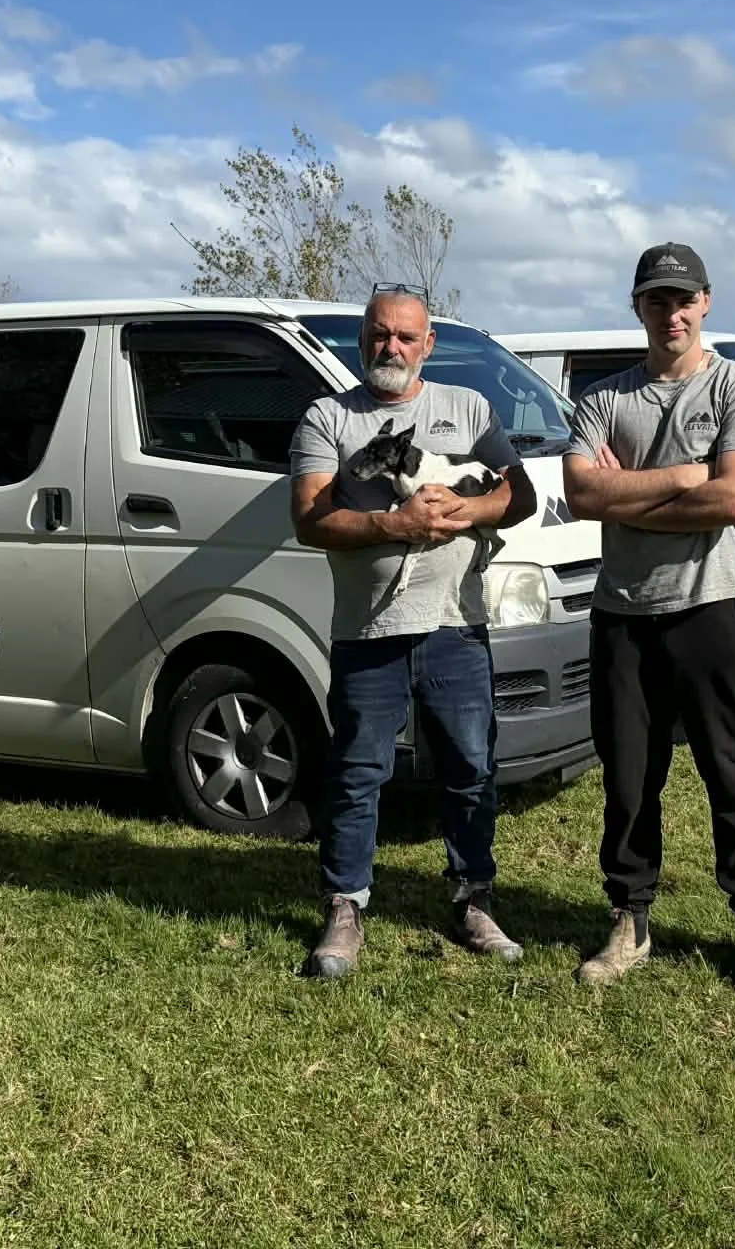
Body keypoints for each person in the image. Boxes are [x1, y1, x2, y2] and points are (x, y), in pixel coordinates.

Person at [562, 243, 735, 1004]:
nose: (672, 313)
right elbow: (583, 498)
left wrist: (627, 488)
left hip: (716, 606)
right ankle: (630, 918)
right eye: (657, 300)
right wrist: (688, 475)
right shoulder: (604, 398)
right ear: (638, 307)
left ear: (707, 301)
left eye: (684, 299)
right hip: (623, 613)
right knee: (629, 778)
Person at [289, 285, 537, 979]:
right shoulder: (327, 418)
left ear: (427, 344)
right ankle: (345, 908)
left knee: (469, 769)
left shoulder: (468, 408)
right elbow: (308, 519)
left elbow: (522, 496)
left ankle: (474, 899)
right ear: (361, 339)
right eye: (378, 334)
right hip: (369, 630)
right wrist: (390, 526)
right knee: (359, 772)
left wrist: (467, 508)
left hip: (457, 626)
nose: (390, 347)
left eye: (405, 336)